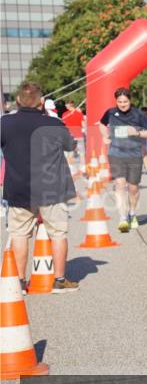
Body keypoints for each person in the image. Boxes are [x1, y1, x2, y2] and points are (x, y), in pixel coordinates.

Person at [0, 82, 79, 293]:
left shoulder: (5, 123)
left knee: (20, 234)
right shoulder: (54, 124)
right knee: (58, 233)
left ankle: (19, 282)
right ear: (41, 102)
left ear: (17, 100)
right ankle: (60, 280)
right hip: (51, 188)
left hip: (18, 187)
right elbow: (71, 146)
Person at [99, 87, 147, 232]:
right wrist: (105, 136)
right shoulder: (111, 112)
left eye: (125, 101)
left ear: (130, 100)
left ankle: (132, 213)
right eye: (120, 102)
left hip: (134, 154)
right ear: (116, 101)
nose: (123, 104)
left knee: (133, 188)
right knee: (119, 184)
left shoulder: (138, 114)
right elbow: (101, 124)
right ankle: (123, 217)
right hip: (116, 153)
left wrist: (136, 132)